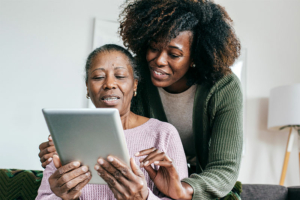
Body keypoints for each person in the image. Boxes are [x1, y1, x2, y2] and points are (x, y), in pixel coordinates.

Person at [38, 0, 243, 199]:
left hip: (198, 183)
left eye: (174, 54)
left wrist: (183, 190)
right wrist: (63, 149)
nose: (159, 61)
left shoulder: (223, 87)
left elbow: (224, 167)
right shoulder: (138, 77)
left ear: (195, 58)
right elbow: (121, 130)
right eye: (154, 48)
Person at [36, 44, 188, 200]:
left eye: (120, 76)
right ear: (87, 87)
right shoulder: (66, 136)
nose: (109, 84)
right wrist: (61, 197)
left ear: (135, 84)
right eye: (98, 77)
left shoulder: (164, 134)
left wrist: (144, 198)